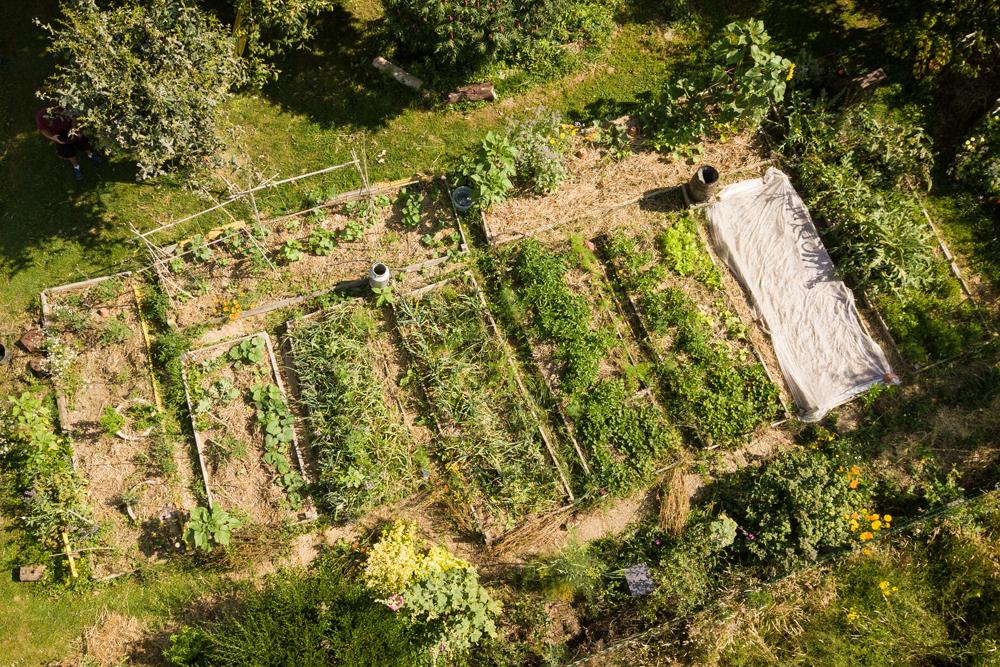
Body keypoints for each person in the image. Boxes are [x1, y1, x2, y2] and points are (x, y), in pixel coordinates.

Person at [36, 106, 100, 180]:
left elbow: (73, 117)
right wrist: (52, 137)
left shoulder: (64, 106)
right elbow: (43, 129)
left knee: (82, 142)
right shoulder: (41, 115)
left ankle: (90, 155)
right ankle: (76, 166)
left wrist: (73, 128)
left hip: (71, 129)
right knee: (68, 151)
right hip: (59, 135)